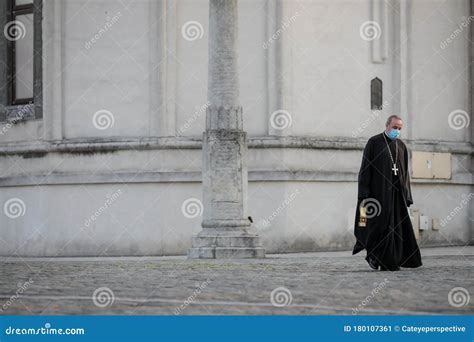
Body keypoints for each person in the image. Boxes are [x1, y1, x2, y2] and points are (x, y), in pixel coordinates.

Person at [352, 115, 422, 271]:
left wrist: (407, 196)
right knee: (376, 227)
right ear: (387, 125)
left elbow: (405, 174)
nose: (397, 131)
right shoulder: (374, 143)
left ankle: (390, 260)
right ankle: (373, 256)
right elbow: (365, 169)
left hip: (396, 197)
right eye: (394, 127)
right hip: (377, 196)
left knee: (396, 228)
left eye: (399, 128)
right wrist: (363, 193)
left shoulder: (402, 147)